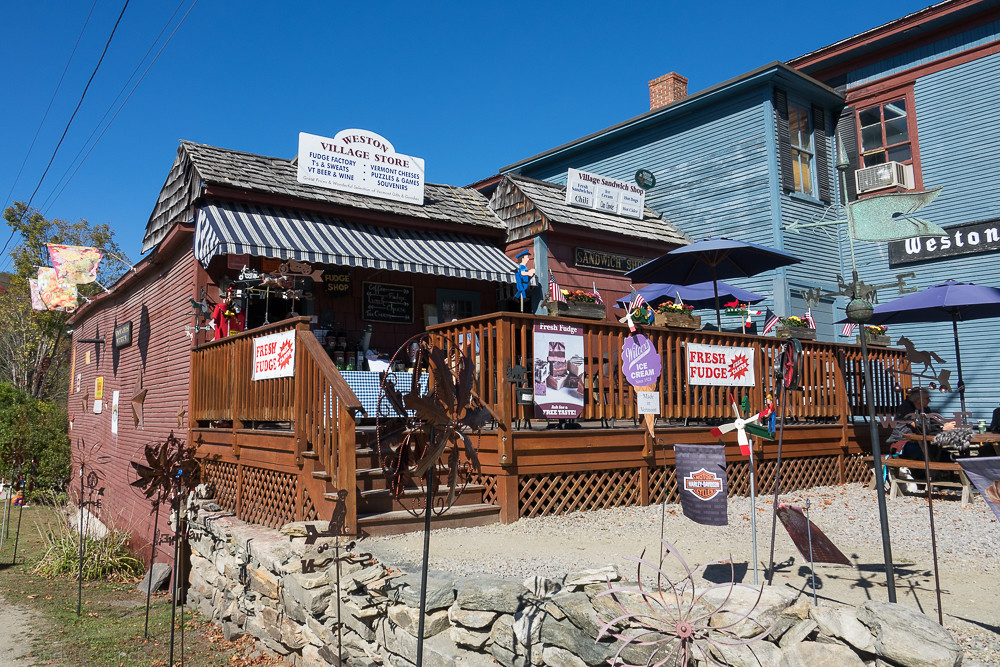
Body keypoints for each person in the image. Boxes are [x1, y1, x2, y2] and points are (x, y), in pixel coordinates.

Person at [886, 387, 954, 463]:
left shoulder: (926, 409)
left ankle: (942, 474)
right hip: (903, 444)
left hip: (921, 443)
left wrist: (943, 426)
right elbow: (919, 427)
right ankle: (928, 474)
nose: (929, 400)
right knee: (929, 452)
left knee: (945, 455)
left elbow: (934, 422)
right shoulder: (906, 409)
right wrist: (942, 429)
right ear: (919, 400)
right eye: (927, 398)